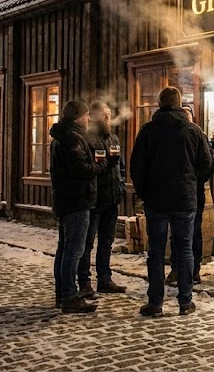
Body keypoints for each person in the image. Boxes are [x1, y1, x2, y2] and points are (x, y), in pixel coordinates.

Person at [131, 87, 213, 317]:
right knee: (185, 249)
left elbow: (137, 167)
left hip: (156, 201)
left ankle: (156, 303)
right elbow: (206, 164)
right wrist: (191, 183)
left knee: (156, 252)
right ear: (179, 104)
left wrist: (145, 192)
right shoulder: (193, 131)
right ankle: (185, 301)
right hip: (185, 200)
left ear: (159, 103)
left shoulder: (148, 131)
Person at [50, 99, 112, 314]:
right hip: (76, 201)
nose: (88, 119)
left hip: (67, 200)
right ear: (78, 117)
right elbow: (81, 169)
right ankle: (69, 296)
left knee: (65, 249)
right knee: (73, 251)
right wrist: (100, 165)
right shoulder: (72, 138)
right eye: (86, 115)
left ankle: (63, 294)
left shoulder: (63, 136)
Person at [78, 101, 128, 296]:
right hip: (94, 199)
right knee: (88, 242)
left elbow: (120, 167)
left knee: (107, 241)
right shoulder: (88, 139)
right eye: (105, 114)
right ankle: (84, 282)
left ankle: (104, 279)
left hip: (112, 197)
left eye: (109, 113)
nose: (109, 118)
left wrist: (121, 185)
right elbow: (88, 169)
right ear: (95, 116)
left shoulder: (114, 138)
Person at [166, 105, 214, 287]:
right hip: (174, 193)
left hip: (194, 193)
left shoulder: (198, 135)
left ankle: (193, 271)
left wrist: (195, 179)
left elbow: (211, 163)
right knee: (175, 234)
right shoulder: (173, 135)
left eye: (186, 114)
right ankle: (175, 268)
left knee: (193, 232)